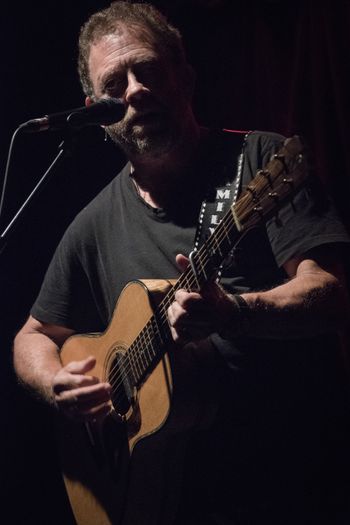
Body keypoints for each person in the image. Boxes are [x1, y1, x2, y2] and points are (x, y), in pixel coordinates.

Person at [13, 1, 350, 524]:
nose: (135, 91)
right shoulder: (91, 225)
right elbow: (31, 335)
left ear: (184, 79)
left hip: (294, 476)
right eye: (114, 85)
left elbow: (333, 292)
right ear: (96, 111)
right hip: (171, 495)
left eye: (147, 71)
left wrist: (237, 311)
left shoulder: (262, 163)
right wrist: (57, 385)